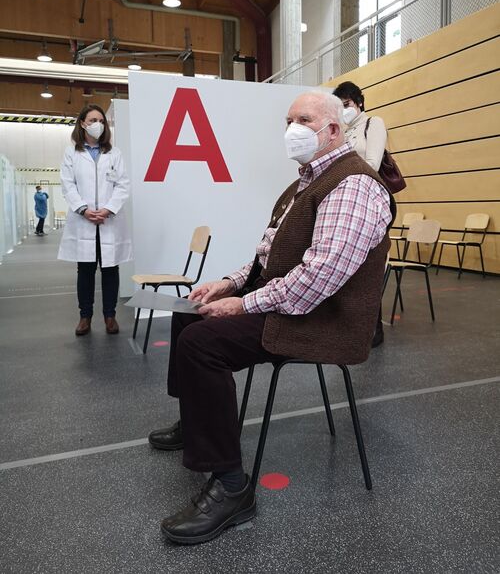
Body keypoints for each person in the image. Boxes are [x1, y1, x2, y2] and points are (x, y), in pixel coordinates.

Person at [148, 91, 396, 545]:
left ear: (334, 130)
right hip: (294, 303)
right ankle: (197, 421)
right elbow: (267, 259)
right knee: (191, 316)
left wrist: (244, 304)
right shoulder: (303, 183)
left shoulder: (354, 184)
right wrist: (228, 283)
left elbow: (319, 278)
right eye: (288, 120)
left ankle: (231, 487)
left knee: (202, 343)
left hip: (322, 318)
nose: (292, 129)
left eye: (304, 120)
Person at [58, 104, 132, 336]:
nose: (97, 124)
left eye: (100, 120)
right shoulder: (72, 153)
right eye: (92, 120)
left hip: (109, 221)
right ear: (82, 123)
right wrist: (83, 209)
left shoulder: (114, 153)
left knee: (110, 269)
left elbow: (123, 185)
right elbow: (67, 184)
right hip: (84, 220)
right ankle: (85, 317)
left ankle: (110, 316)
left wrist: (108, 209)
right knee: (86, 270)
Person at [332, 80, 388, 347]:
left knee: (370, 265)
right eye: (339, 106)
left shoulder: (372, 123)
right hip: (349, 203)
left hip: (372, 203)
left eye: (347, 105)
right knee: (351, 266)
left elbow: (373, 164)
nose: (344, 110)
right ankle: (353, 326)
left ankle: (374, 329)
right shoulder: (343, 131)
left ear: (359, 103)